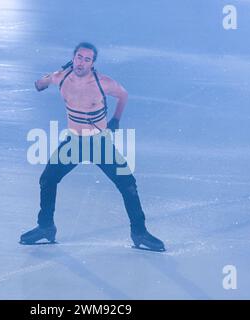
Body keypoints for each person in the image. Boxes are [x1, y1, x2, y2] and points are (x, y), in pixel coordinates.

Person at [20, 42, 165, 251]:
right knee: (48, 179)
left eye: (87, 59)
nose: (82, 62)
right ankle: (45, 227)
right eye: (79, 57)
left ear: (93, 63)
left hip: (99, 143)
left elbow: (123, 95)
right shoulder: (61, 78)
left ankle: (139, 233)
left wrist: (116, 120)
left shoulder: (102, 83)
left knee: (128, 185)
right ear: (73, 57)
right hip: (74, 142)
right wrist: (51, 75)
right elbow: (38, 85)